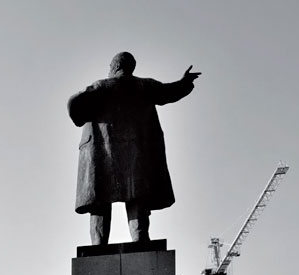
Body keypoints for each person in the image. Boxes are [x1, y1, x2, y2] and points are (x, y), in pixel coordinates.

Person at [68, 52, 200, 245]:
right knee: (137, 196)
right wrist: (185, 82)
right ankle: (140, 239)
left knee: (100, 199)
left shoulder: (101, 86)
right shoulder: (144, 86)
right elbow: (169, 92)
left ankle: (98, 244)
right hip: (137, 152)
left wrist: (77, 109)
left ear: (115, 67)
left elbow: (76, 106)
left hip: (103, 153)